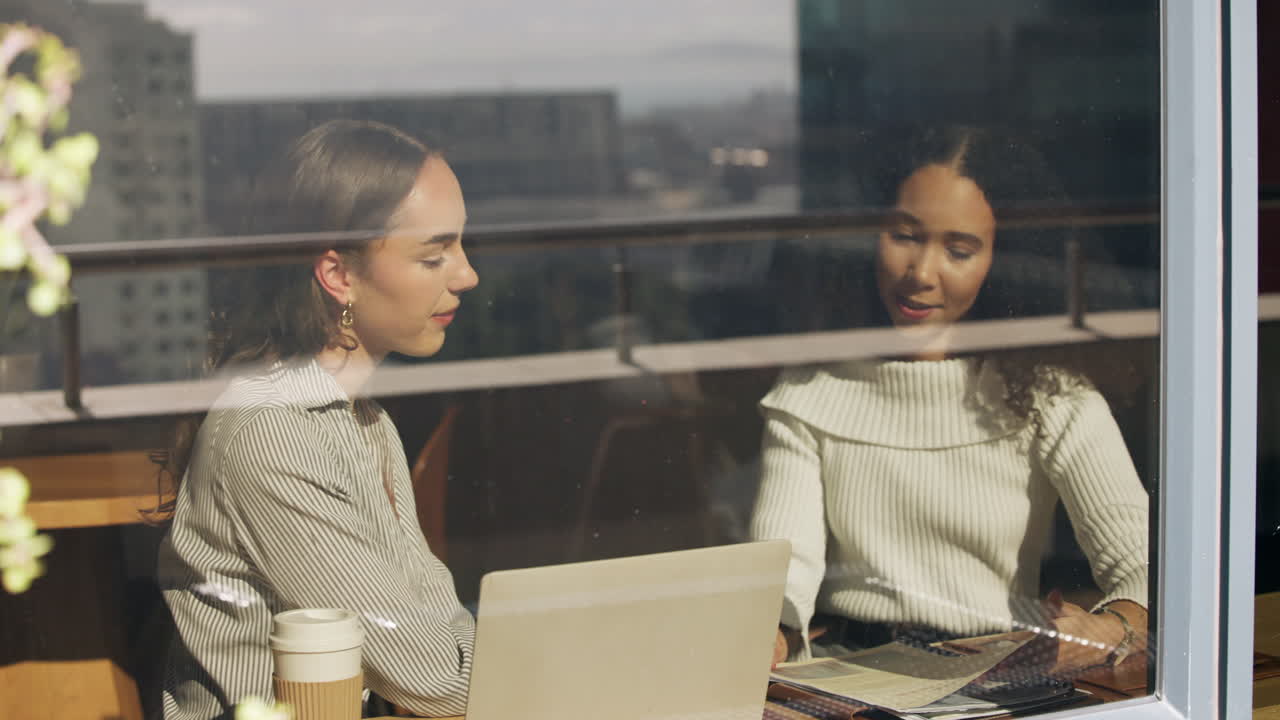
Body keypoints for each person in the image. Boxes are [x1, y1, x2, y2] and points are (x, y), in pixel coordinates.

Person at [749, 126, 1149, 676]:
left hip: (1001, 671)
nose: (921, 274)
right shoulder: (810, 392)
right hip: (849, 671)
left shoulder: (1054, 398)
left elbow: (1143, 564)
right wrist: (768, 636)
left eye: (959, 250)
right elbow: (781, 583)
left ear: (1005, 259)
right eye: (904, 236)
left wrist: (1112, 626)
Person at [154, 119, 480, 719]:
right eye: (435, 256)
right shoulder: (274, 435)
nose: (467, 275)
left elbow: (433, 621)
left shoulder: (363, 420)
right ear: (339, 276)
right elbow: (433, 678)